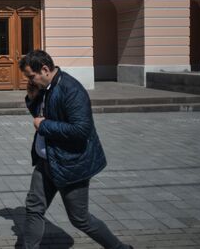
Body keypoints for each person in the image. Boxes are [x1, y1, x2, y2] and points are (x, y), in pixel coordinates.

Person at [19, 50, 132, 249]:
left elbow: (81, 130)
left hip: (71, 164)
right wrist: (32, 98)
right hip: (46, 160)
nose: (30, 80)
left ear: (45, 69)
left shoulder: (71, 89)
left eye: (31, 76)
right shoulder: (45, 87)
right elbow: (40, 114)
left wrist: (44, 126)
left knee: (80, 219)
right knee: (34, 209)